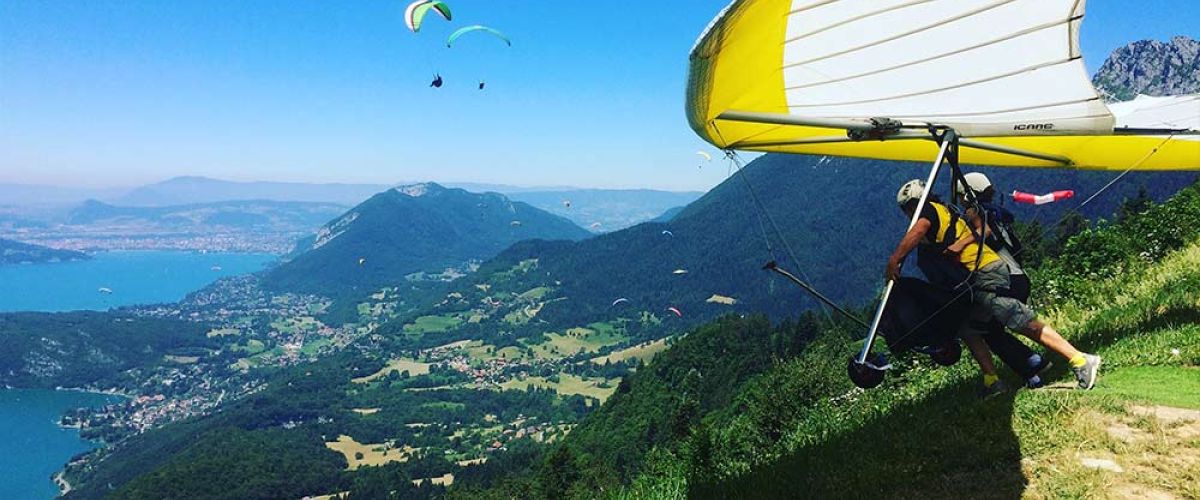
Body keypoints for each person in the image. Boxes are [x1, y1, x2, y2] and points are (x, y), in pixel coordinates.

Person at [887, 179, 1101, 394]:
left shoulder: (929, 211)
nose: (908, 213)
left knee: (1019, 319)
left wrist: (895, 259)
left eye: (908, 208)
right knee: (969, 327)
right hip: (974, 277)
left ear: (916, 203)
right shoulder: (942, 211)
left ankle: (1081, 360)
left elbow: (919, 229)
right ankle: (993, 381)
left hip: (984, 270)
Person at [955, 172, 1051, 388]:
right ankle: (1031, 372)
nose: (960, 202)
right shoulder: (997, 213)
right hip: (1018, 277)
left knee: (983, 328)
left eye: (962, 196)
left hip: (1004, 280)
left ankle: (1035, 363)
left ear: (970, 195)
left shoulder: (975, 213)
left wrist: (958, 246)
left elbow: (984, 233)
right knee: (990, 328)